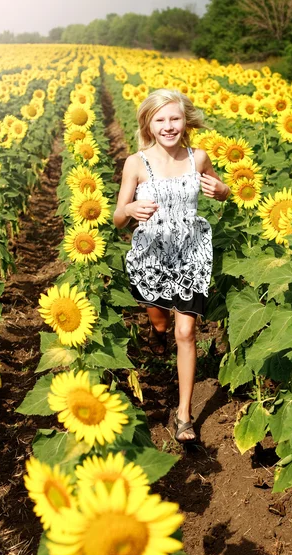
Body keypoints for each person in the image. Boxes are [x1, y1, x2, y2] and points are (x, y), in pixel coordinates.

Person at [113, 89, 229, 443]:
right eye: (160, 119)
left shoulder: (198, 157)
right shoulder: (136, 163)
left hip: (191, 253)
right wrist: (130, 210)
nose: (168, 126)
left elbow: (222, 190)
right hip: (152, 256)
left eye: (175, 118)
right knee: (161, 323)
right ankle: (156, 330)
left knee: (186, 334)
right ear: (148, 124)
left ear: (186, 121)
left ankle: (183, 416)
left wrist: (222, 191)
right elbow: (118, 218)